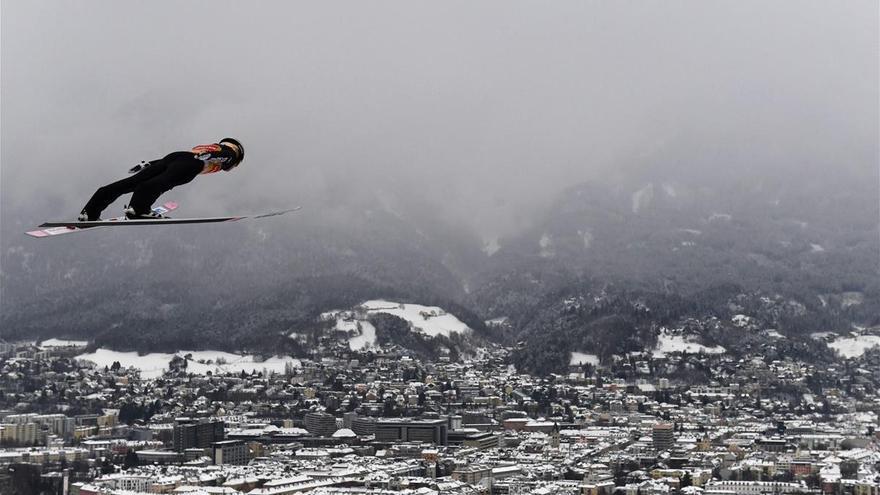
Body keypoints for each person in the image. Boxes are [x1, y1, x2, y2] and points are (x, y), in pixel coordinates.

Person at [78, 138, 244, 221]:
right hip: (192, 164)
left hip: (175, 157)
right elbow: (226, 156)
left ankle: (90, 212)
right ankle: (138, 210)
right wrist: (214, 156)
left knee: (128, 184)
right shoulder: (229, 152)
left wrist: (148, 165)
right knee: (161, 183)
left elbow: (172, 161)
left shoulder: (210, 146)